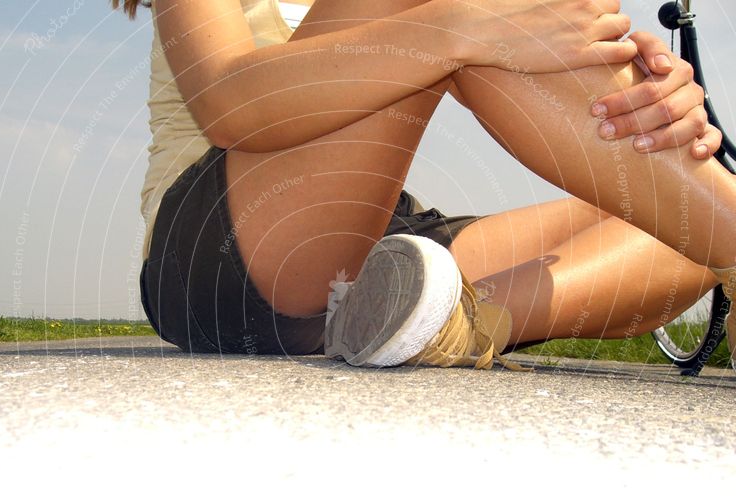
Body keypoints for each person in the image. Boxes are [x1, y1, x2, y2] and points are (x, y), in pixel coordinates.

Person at [115, 0, 736, 370]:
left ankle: (450, 324)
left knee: (674, 223)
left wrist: (632, 84)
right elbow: (229, 104)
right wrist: (468, 24)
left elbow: (498, 63)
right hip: (214, 244)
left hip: (363, 248)